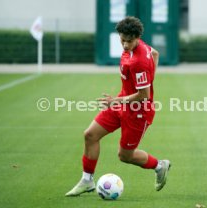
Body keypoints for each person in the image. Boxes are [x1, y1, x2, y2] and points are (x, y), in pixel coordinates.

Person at [65, 16, 171, 197]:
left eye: (129, 41)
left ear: (137, 37)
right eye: (122, 40)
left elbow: (143, 95)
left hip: (138, 111)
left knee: (125, 156)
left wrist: (118, 100)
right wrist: (147, 80)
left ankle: (160, 165)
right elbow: (155, 53)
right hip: (123, 101)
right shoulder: (136, 47)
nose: (125, 45)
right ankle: (87, 180)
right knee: (90, 135)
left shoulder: (139, 62)